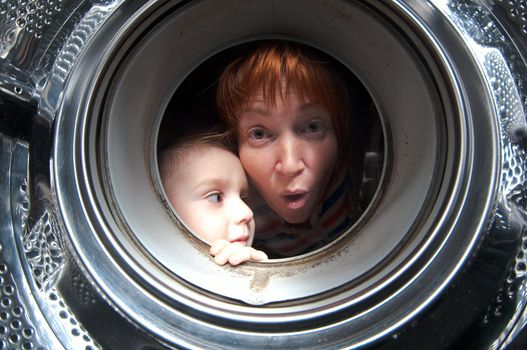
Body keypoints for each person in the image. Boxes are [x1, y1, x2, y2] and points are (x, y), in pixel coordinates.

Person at [216, 41, 361, 258]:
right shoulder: (235, 215)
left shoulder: (354, 167)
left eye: (312, 127)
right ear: (235, 145)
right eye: (259, 134)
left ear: (338, 133)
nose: (291, 166)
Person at [158, 132, 268, 266]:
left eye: (243, 197)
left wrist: (258, 276)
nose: (247, 213)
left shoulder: (250, 259)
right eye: (216, 198)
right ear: (163, 212)